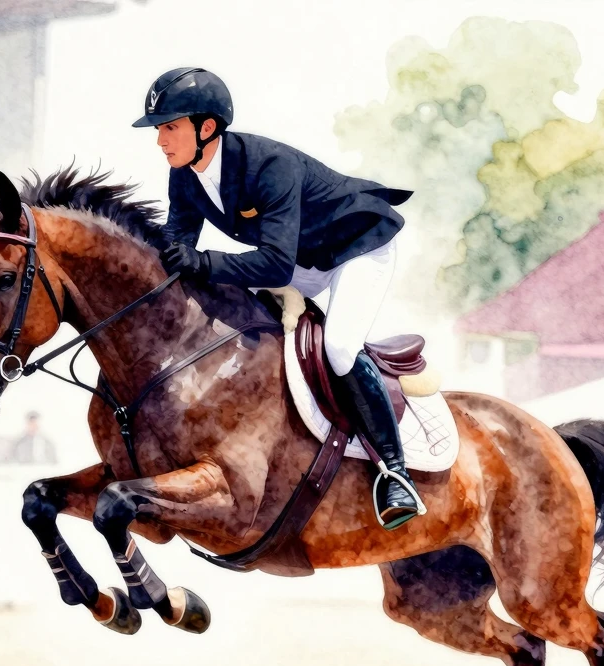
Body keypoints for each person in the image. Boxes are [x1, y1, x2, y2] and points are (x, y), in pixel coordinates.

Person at [134, 68, 420, 529]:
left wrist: (202, 262)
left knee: (339, 347)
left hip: (356, 247)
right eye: (159, 129)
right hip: (304, 258)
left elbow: (274, 266)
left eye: (170, 127)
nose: (160, 140)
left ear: (207, 128)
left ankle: (395, 472)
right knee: (241, 320)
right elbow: (175, 248)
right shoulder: (185, 175)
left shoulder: (269, 167)